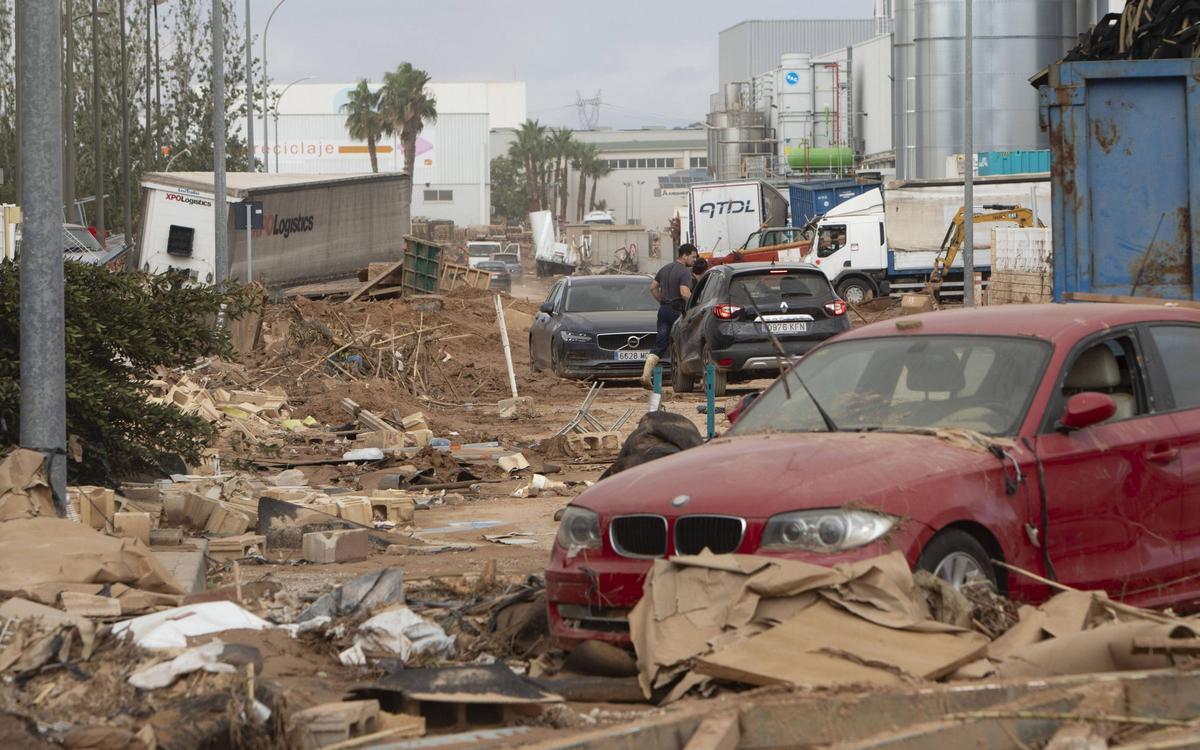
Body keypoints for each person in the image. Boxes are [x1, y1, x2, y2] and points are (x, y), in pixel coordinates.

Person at [643, 244, 698, 388]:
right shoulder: (685, 272)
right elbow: (684, 292)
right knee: (684, 343)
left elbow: (653, 287)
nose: (695, 259)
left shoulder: (664, 269)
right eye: (693, 256)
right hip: (677, 312)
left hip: (664, 311)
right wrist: (695, 306)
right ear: (684, 256)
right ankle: (686, 377)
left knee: (660, 344)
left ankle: (646, 375)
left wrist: (662, 300)